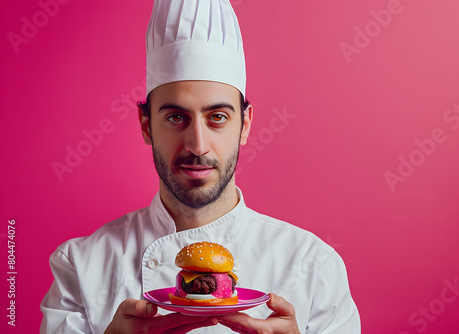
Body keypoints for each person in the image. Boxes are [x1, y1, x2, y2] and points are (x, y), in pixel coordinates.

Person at [40, 0, 361, 333]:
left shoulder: (314, 267)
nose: (198, 145)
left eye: (217, 117)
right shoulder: (80, 266)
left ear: (245, 124)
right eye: (176, 117)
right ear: (147, 126)